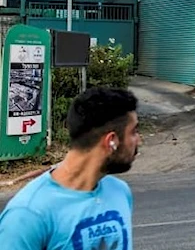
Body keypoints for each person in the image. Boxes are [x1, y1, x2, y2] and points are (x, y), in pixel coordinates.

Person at [0, 86, 141, 250]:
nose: (139, 140)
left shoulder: (120, 191)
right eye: (133, 132)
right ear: (111, 141)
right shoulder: (27, 215)